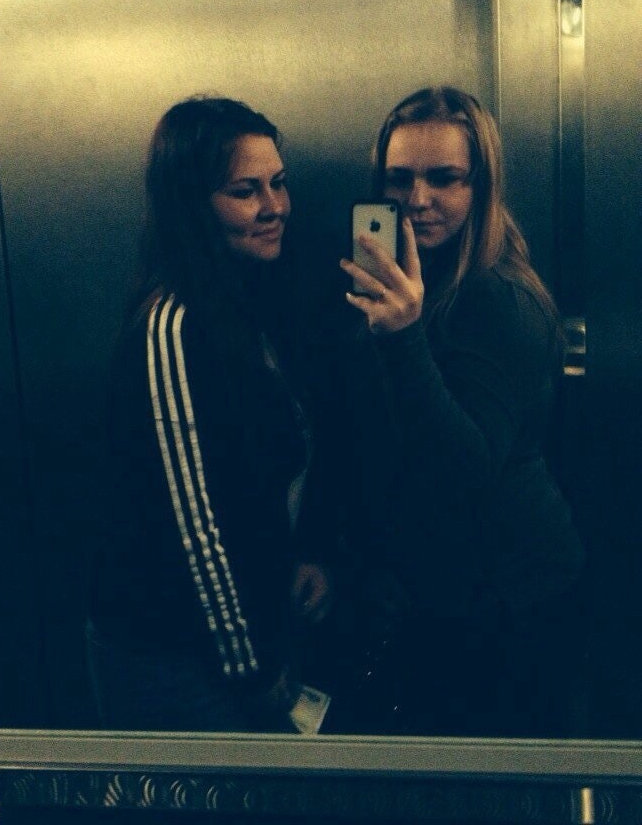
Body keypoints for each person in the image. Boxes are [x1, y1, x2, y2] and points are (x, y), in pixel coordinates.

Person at [326, 86, 586, 737]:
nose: (417, 199)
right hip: (429, 592)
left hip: (510, 598)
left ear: (481, 187)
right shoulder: (407, 282)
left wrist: (403, 337)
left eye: (444, 178)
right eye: (399, 178)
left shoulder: (499, 298)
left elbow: (462, 472)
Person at [86, 95, 331, 733]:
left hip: (241, 631)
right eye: (244, 191)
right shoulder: (173, 327)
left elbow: (264, 476)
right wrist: (253, 670)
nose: (274, 206)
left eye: (279, 183)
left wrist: (304, 556)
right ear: (192, 205)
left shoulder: (249, 304)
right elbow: (195, 525)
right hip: (178, 657)